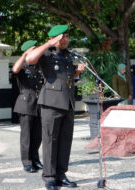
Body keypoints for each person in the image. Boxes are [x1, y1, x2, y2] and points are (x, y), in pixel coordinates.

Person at [25, 25, 85, 190]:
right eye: (62, 37)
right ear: (54, 38)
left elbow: (66, 79)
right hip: (51, 103)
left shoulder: (68, 55)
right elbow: (29, 60)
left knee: (65, 141)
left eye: (67, 36)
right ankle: (49, 177)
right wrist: (48, 43)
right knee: (50, 140)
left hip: (68, 103)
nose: (65, 39)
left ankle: (61, 174)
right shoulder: (46, 52)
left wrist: (77, 72)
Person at [12, 40, 44, 173]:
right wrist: (25, 55)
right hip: (26, 103)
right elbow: (14, 69)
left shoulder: (40, 67)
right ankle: (27, 162)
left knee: (38, 135)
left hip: (39, 104)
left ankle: (35, 159)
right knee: (26, 136)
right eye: (34, 50)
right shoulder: (23, 67)